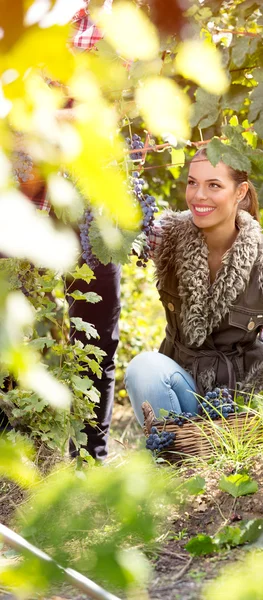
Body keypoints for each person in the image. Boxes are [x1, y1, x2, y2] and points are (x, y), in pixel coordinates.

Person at [125, 149, 263, 450]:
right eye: (192, 183)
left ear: (240, 191)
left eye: (214, 185)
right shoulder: (169, 238)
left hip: (244, 393)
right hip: (186, 390)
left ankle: (235, 448)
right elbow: (127, 229)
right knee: (143, 369)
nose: (198, 196)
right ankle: (179, 454)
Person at [0, 0, 120, 461]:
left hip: (89, 197)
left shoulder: (121, 26)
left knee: (96, 328)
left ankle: (92, 458)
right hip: (20, 196)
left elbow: (116, 116)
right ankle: (16, 455)